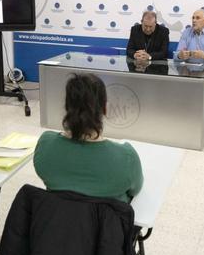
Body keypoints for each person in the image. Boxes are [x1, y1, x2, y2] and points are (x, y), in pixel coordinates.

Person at [33, 73, 143, 203]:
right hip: (105, 222)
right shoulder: (126, 158)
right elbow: (135, 190)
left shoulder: (45, 145)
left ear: (67, 107)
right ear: (105, 109)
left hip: (57, 220)